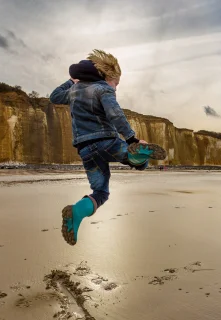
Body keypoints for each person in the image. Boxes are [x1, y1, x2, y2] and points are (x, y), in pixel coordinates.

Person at [49, 49, 166, 246]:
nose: (116, 88)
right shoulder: (103, 89)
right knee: (137, 161)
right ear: (107, 76)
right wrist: (131, 139)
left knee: (101, 192)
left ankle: (76, 212)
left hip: (85, 149)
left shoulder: (74, 91)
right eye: (116, 83)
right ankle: (137, 154)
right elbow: (115, 115)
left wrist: (72, 80)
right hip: (106, 141)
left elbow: (54, 96)